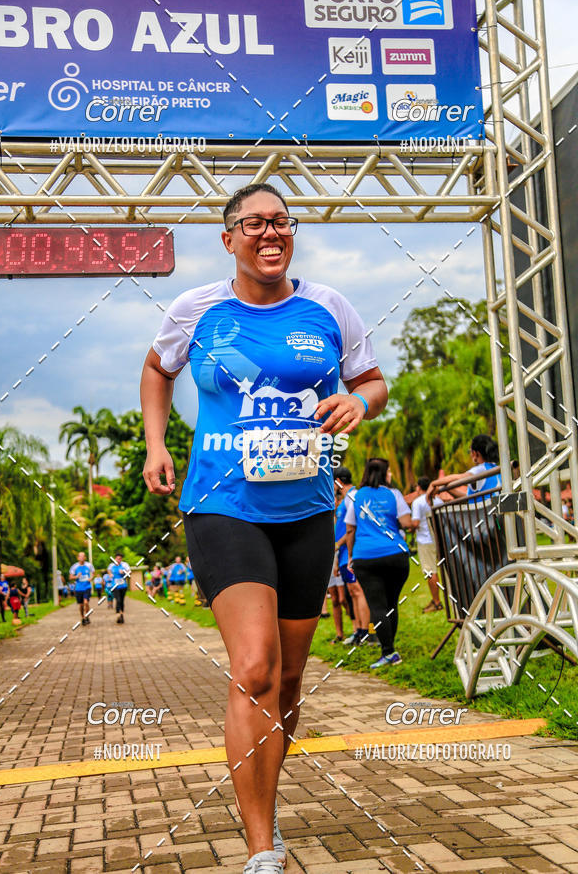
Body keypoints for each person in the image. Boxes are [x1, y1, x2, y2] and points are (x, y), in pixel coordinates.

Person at [140, 183, 386, 873]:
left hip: (308, 511)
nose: (269, 233)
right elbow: (158, 370)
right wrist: (158, 444)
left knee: (288, 681)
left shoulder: (330, 306)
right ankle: (260, 848)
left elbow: (372, 380)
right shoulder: (199, 309)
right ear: (229, 239)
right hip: (222, 504)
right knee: (254, 669)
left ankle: (265, 804)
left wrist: (358, 402)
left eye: (281, 222)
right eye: (253, 224)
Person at [345, 458, 413, 668]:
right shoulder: (394, 494)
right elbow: (407, 524)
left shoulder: (355, 496)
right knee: (391, 603)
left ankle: (389, 652)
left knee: (377, 605)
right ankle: (390, 649)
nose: (391, 474)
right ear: (384, 473)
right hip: (396, 555)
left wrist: (350, 557)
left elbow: (350, 529)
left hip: (366, 557)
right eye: (390, 471)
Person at [333, 466, 371, 646]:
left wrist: (340, 545)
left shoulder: (352, 497)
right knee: (352, 592)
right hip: (342, 555)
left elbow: (353, 528)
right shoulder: (344, 500)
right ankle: (358, 631)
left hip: (351, 553)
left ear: (338, 481)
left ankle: (367, 631)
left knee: (358, 590)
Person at [429, 435, 501, 504]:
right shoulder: (496, 468)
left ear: (475, 453)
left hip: (483, 514)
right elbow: (469, 499)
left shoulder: (480, 469)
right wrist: (446, 488)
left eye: (470, 451)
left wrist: (433, 483)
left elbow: (458, 478)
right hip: (493, 511)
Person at [411, 477, 444, 613]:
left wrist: (409, 528)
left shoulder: (418, 502)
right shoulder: (438, 499)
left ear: (419, 487)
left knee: (430, 572)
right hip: (439, 539)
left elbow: (415, 523)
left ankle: (436, 601)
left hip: (425, 540)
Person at [69, 551, 95, 626]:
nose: (82, 558)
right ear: (78, 558)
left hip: (87, 586)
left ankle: (87, 616)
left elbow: (93, 573)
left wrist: (91, 578)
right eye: (80, 556)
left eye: (83, 556)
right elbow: (70, 577)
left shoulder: (89, 565)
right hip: (78, 588)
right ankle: (82, 617)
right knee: (81, 605)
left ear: (85, 558)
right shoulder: (74, 567)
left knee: (86, 602)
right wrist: (76, 576)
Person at [107, 553, 131, 624]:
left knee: (122, 601)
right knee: (118, 600)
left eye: (120, 559)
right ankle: (118, 614)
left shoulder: (124, 565)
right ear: (115, 558)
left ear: (121, 559)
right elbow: (108, 570)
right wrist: (110, 574)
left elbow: (130, 572)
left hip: (123, 586)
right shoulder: (111, 565)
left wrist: (124, 572)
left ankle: (121, 615)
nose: (118, 560)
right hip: (115, 586)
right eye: (117, 558)